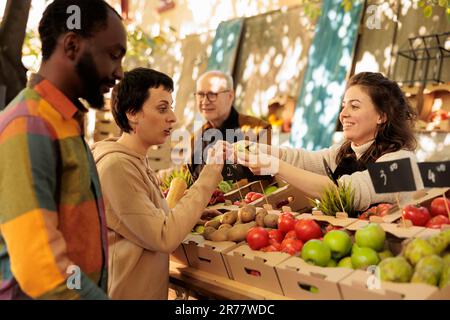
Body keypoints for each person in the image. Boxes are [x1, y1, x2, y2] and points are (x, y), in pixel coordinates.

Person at [0, 0, 126, 299]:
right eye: (113, 55)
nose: (119, 72)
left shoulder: (63, 121)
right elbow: (41, 270)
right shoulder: (30, 124)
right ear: (72, 46)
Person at [91, 68, 225, 300]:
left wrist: (192, 213)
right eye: (163, 108)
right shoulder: (117, 166)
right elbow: (164, 236)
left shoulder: (133, 159)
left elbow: (145, 222)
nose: (173, 117)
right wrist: (210, 174)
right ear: (132, 113)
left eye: (171, 107)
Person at [235, 72, 423, 213]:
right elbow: (300, 159)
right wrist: (246, 147)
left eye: (354, 106)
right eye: (344, 106)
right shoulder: (347, 152)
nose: (343, 114)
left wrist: (275, 166)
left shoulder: (400, 164)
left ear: (382, 116)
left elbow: (342, 194)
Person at [188, 70, 271, 181]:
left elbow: (263, 180)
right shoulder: (195, 138)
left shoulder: (257, 129)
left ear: (230, 96)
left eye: (212, 94)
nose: (205, 101)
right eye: (200, 94)